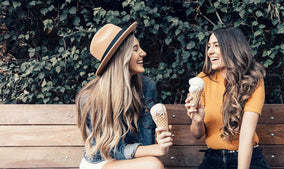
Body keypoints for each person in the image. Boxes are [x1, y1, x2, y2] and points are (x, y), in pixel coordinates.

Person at [76, 22, 173, 169]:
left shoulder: (147, 87)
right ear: (121, 57)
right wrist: (155, 149)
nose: (143, 53)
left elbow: (146, 141)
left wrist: (159, 139)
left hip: (133, 161)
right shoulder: (91, 97)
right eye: (135, 49)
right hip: (102, 161)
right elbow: (110, 150)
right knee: (153, 165)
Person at [185, 27, 270, 169]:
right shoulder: (202, 80)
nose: (210, 51)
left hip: (247, 159)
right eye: (209, 46)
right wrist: (197, 121)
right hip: (214, 159)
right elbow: (197, 134)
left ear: (232, 48)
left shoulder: (253, 81)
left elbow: (246, 137)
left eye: (216, 45)